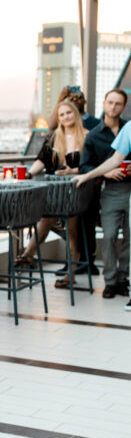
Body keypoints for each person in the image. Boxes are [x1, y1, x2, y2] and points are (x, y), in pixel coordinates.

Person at [16, 99, 89, 288]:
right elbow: (42, 160)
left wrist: (74, 172)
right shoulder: (54, 137)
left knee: (72, 230)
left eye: (69, 113)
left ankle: (69, 274)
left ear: (76, 114)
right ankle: (27, 255)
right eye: (61, 114)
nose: (65, 117)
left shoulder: (87, 137)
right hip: (56, 191)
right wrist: (29, 173)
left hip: (77, 191)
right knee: (45, 218)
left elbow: (91, 165)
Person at [77, 110, 131, 312]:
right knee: (111, 236)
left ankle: (124, 279)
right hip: (114, 191)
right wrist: (88, 175)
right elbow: (115, 159)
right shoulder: (129, 129)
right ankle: (114, 281)